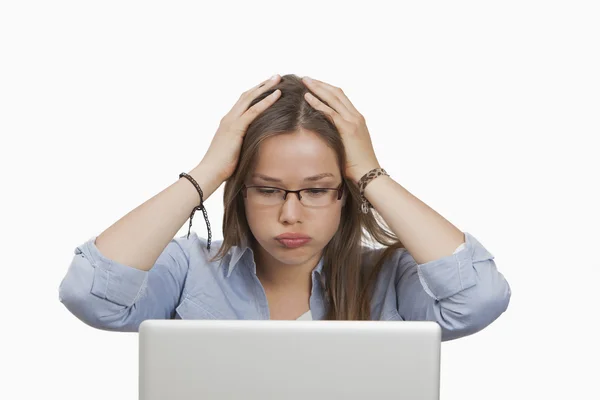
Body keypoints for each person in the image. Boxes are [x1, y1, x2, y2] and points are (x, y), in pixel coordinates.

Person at [58, 74, 511, 341]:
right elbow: (90, 294)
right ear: (241, 192)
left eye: (316, 190)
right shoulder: (188, 267)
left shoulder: (392, 279)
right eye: (269, 189)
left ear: (344, 194)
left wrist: (371, 173)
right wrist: (207, 172)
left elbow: (478, 300)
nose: (290, 215)